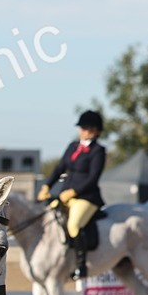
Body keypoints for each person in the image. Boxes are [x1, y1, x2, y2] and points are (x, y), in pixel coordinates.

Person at [38, 110, 107, 279]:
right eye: (82, 128)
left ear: (96, 131)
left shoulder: (98, 151)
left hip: (86, 197)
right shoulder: (73, 146)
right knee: (49, 216)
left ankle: (80, 266)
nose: (83, 131)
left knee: (73, 225)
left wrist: (73, 192)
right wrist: (46, 185)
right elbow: (60, 168)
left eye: (88, 128)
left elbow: (93, 178)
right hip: (65, 194)